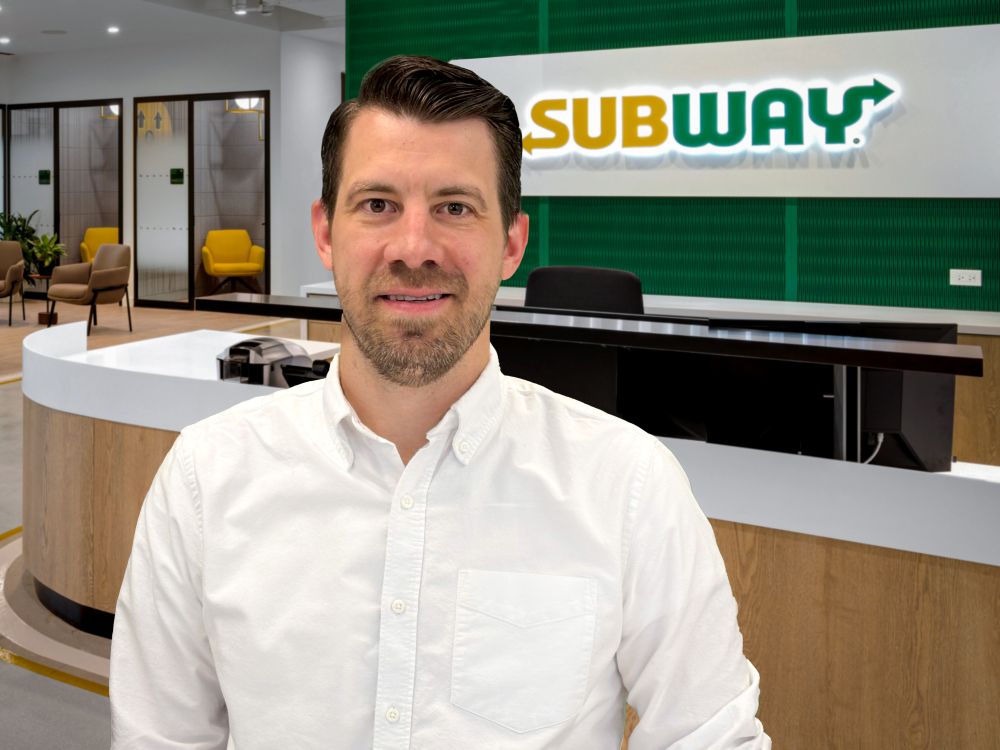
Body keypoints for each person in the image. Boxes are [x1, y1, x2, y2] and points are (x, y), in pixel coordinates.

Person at [110, 55, 770, 749]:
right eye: (378, 205)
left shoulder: (627, 484)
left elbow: (710, 736)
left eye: (454, 208)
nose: (414, 248)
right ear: (326, 233)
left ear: (511, 242)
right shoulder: (207, 477)